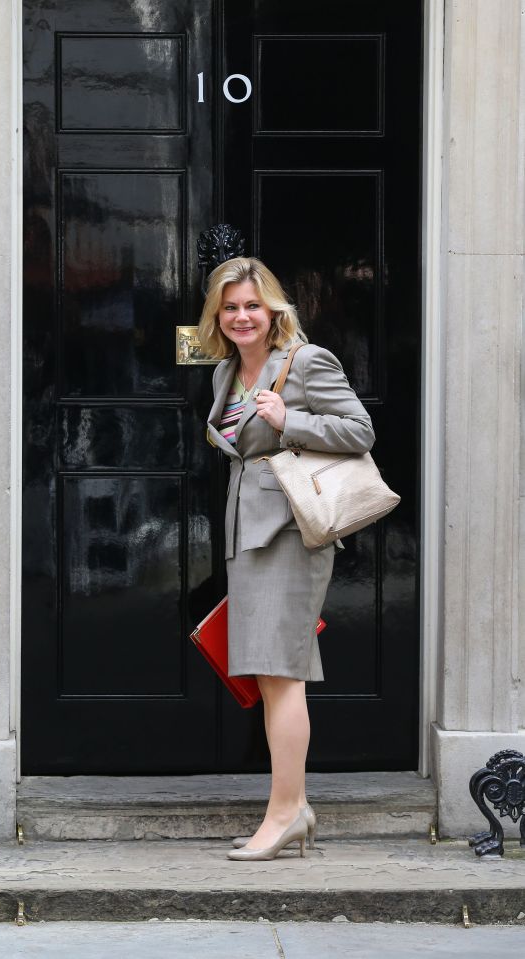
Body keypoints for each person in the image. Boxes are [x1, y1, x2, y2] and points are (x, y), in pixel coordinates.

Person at [198, 257, 375, 861]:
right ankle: (291, 809)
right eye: (230, 307)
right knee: (272, 677)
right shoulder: (227, 372)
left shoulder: (305, 362)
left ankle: (284, 816)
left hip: (292, 536)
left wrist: (289, 419)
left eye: (252, 305)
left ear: (273, 309)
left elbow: (360, 431)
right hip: (248, 537)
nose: (242, 316)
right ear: (217, 317)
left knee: (283, 674)